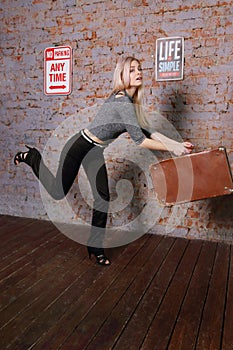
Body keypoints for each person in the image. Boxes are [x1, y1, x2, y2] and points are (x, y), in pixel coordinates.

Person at [14, 56, 194, 266]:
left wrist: (177, 145)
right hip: (80, 145)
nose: (138, 73)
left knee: (102, 198)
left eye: (139, 69)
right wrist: (173, 148)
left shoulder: (131, 103)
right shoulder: (121, 101)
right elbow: (140, 140)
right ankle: (33, 157)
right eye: (132, 70)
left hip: (95, 150)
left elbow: (149, 131)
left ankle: (94, 246)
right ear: (122, 75)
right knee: (57, 191)